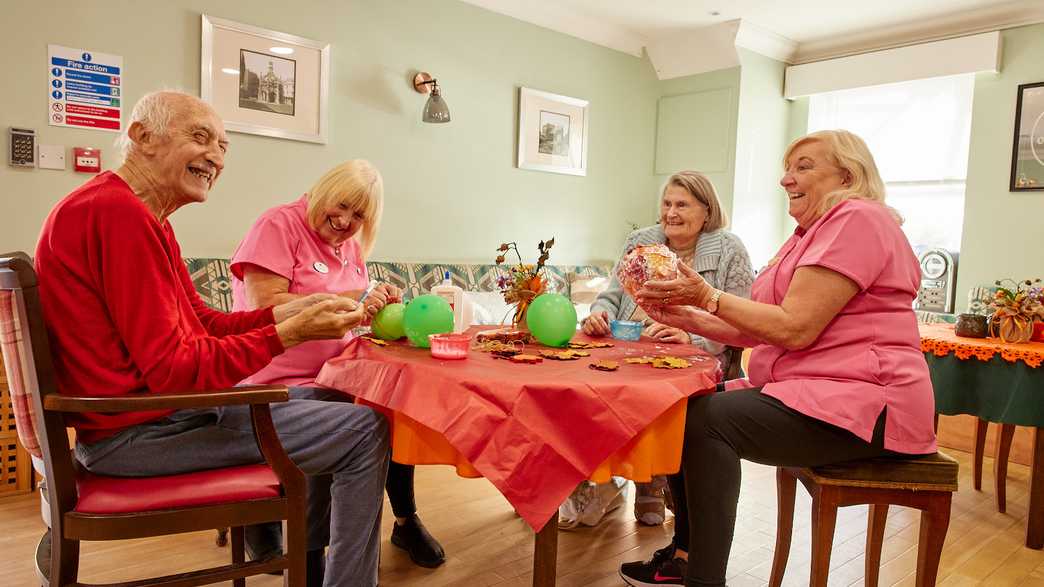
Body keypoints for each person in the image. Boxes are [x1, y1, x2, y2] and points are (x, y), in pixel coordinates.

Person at [34, 90, 390, 587]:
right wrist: (288, 334)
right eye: (200, 138)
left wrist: (295, 313)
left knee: (325, 400)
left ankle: (306, 560)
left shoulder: (143, 218)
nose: (216, 158)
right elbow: (176, 369)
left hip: (151, 417)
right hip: (137, 434)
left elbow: (204, 323)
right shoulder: (117, 214)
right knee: (365, 430)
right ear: (141, 137)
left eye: (223, 147)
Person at [617, 130, 937, 587]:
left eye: (804, 166)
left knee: (704, 420)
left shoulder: (858, 218)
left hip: (870, 403)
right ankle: (685, 555)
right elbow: (759, 326)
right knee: (681, 407)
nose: (786, 179)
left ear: (847, 175)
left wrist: (707, 295)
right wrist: (684, 314)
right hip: (819, 391)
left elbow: (795, 327)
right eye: (787, 169)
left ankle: (702, 577)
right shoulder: (809, 234)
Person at [230, 159, 446, 568]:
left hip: (336, 375)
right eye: (342, 205)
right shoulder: (278, 224)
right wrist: (354, 298)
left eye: (359, 214)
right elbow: (264, 304)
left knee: (396, 406)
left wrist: (380, 311)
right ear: (323, 191)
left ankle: (404, 518)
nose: (346, 220)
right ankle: (308, 554)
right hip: (274, 382)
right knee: (353, 421)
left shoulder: (350, 248)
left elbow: (349, 320)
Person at [564, 171, 754, 530]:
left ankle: (653, 479)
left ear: (707, 210)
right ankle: (603, 478)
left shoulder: (730, 249)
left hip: (691, 354)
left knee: (659, 396)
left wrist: (693, 338)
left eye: (682, 204)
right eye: (666, 204)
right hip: (626, 344)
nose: (671, 213)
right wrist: (599, 313)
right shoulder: (640, 240)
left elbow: (741, 317)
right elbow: (612, 293)